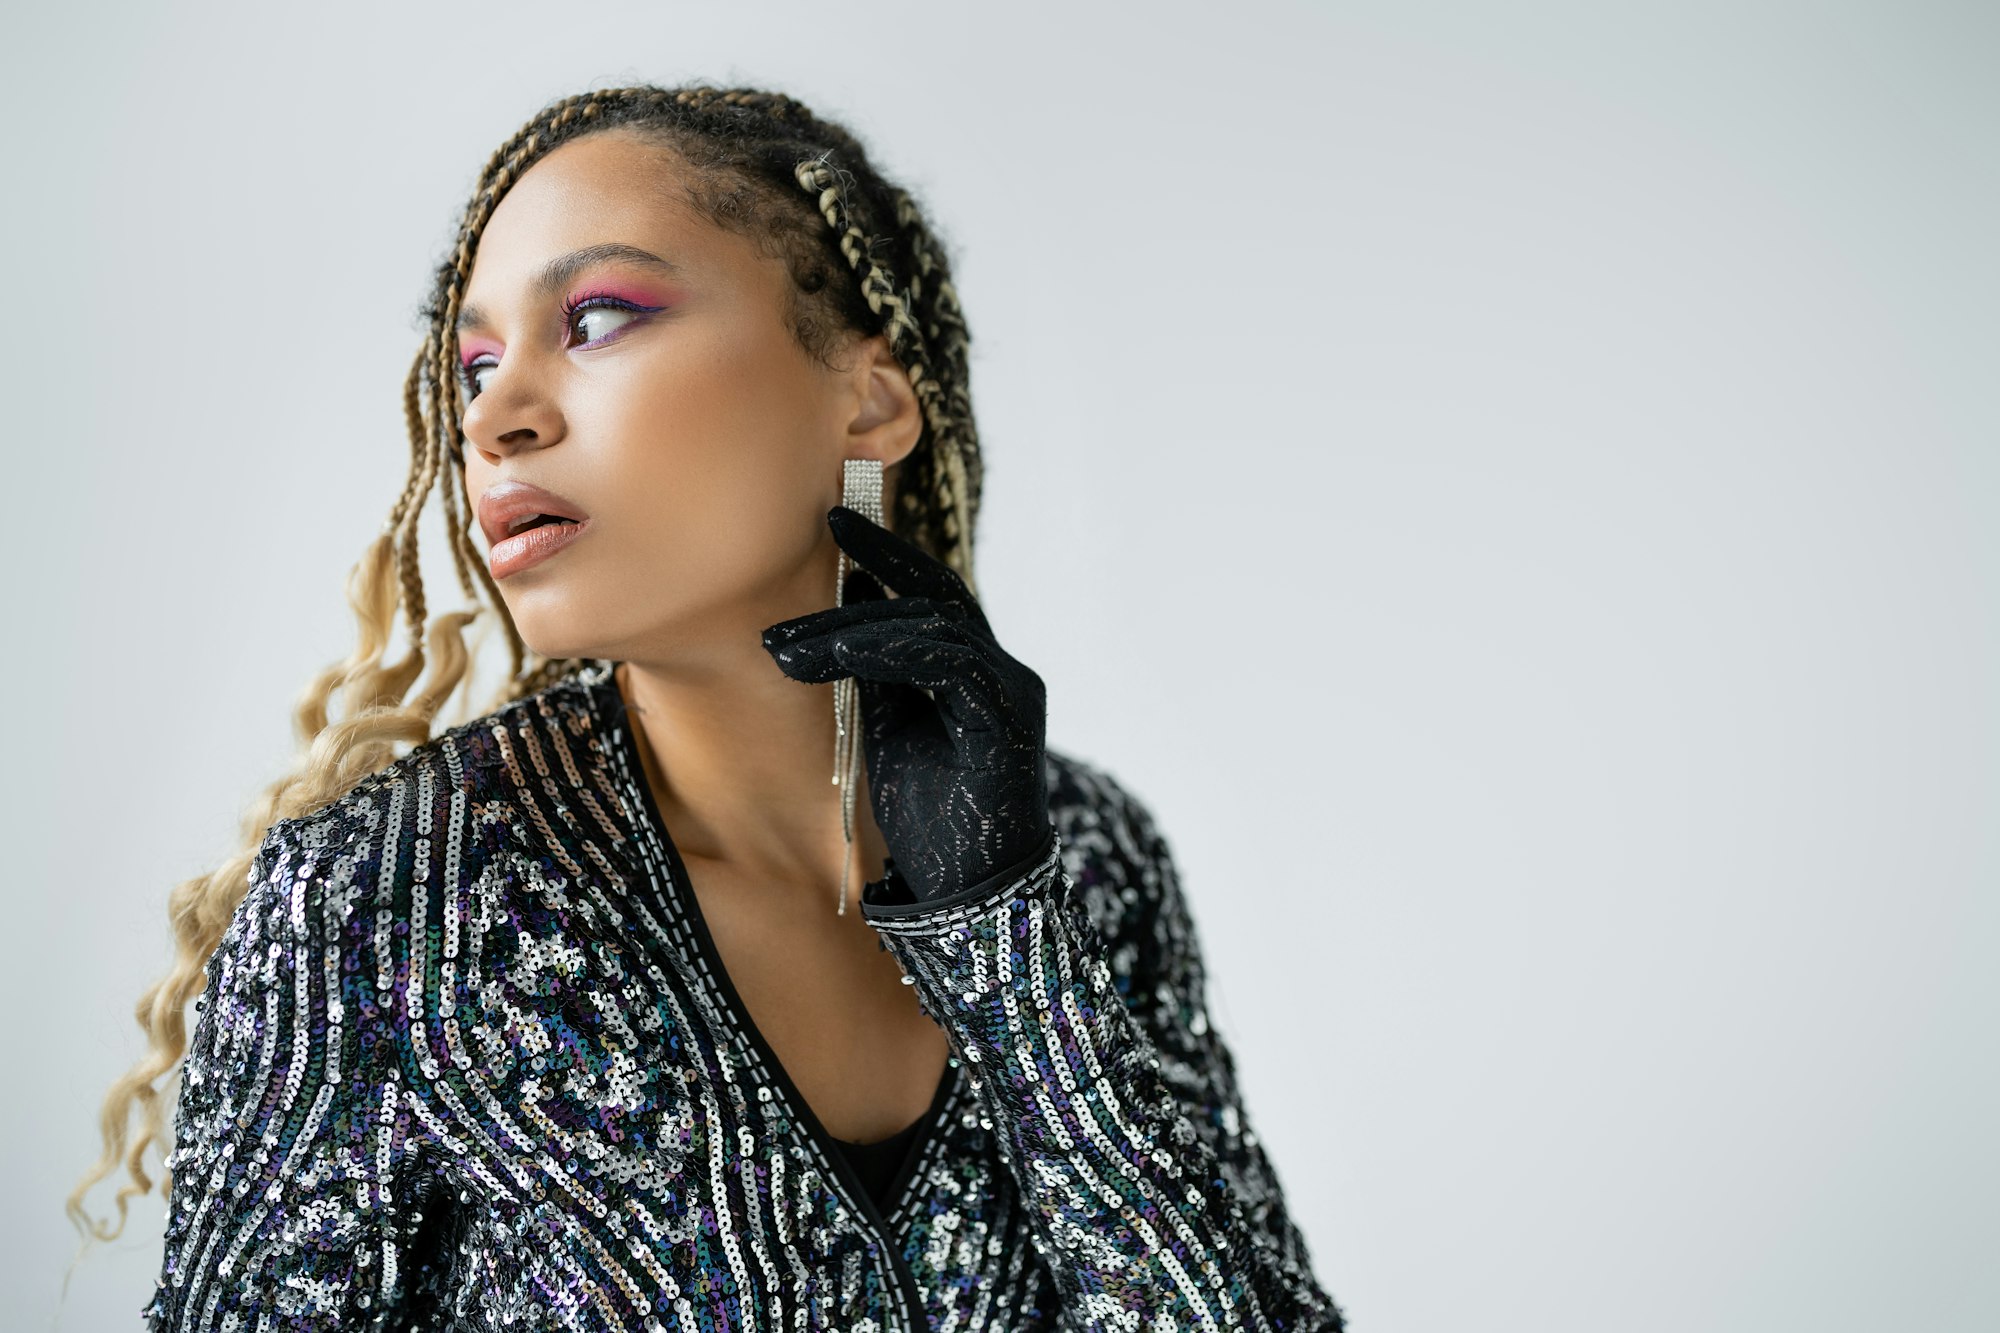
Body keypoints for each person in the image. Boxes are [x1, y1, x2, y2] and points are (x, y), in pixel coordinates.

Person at [69, 83, 1348, 1332]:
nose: (495, 417)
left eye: (595, 318)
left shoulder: (1089, 859)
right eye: (473, 365)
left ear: (869, 401)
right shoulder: (387, 900)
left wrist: (1007, 939)